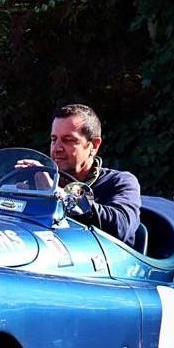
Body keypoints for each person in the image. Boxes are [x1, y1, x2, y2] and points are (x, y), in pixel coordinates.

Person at [49, 104, 141, 248]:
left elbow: (121, 227)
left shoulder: (120, 182)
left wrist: (59, 194)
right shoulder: (44, 180)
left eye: (69, 140)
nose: (57, 148)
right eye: (54, 139)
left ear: (94, 145)